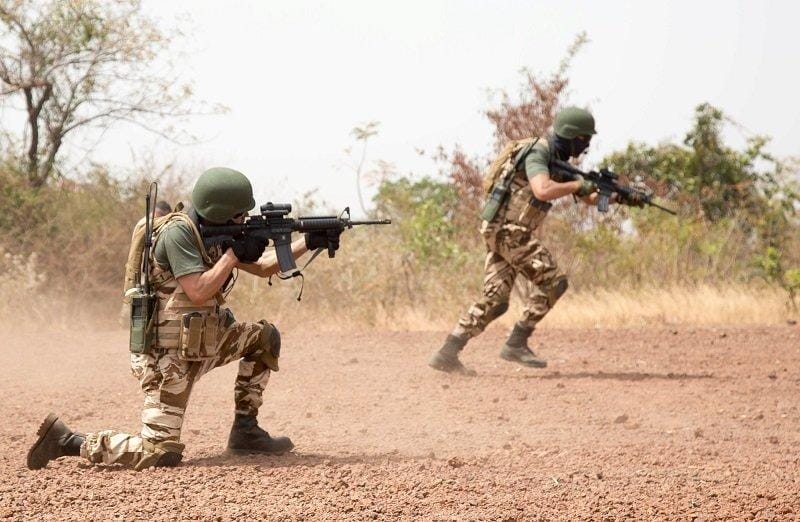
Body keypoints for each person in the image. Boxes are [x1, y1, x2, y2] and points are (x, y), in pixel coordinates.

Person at [27, 167, 342, 470]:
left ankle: (246, 431)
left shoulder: (215, 233)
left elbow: (263, 267)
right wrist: (233, 255)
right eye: (240, 214)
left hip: (204, 341)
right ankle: (67, 440)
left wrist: (308, 242)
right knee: (159, 452)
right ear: (220, 212)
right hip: (168, 357)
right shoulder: (178, 234)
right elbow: (199, 291)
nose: (245, 218)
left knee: (264, 337)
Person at [428, 107, 641, 375]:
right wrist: (577, 185)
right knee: (554, 282)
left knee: (496, 300)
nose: (586, 145)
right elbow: (542, 190)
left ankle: (447, 352)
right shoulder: (539, 152)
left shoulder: (558, 160)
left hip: (500, 231)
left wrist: (621, 197)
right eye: (584, 139)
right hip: (509, 231)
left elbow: (589, 199)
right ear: (571, 136)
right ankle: (516, 342)